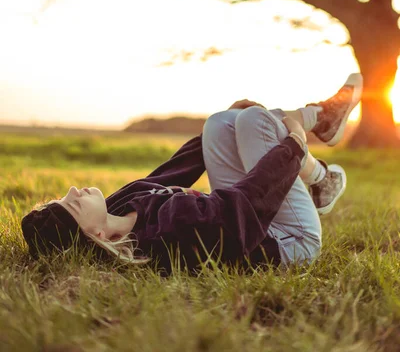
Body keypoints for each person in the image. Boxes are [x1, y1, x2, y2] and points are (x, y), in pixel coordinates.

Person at [21, 74, 363, 273]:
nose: (71, 190)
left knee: (220, 122)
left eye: (63, 197)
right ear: (97, 235)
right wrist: (295, 145)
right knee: (258, 121)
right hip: (290, 240)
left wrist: (214, 134)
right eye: (74, 205)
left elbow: (171, 174)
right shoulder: (171, 231)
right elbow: (243, 205)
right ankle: (316, 128)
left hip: (255, 218)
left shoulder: (117, 209)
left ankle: (319, 167)